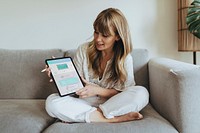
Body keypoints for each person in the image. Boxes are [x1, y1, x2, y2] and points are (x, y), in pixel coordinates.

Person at [44, 8, 149, 123]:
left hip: (114, 103)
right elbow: (75, 87)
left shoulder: (124, 58)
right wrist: (60, 76)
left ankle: (89, 116)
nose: (98, 39)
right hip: (85, 102)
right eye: (96, 32)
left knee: (141, 92)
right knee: (51, 102)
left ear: (117, 36)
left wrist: (97, 90)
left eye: (105, 35)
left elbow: (126, 91)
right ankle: (111, 119)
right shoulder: (83, 50)